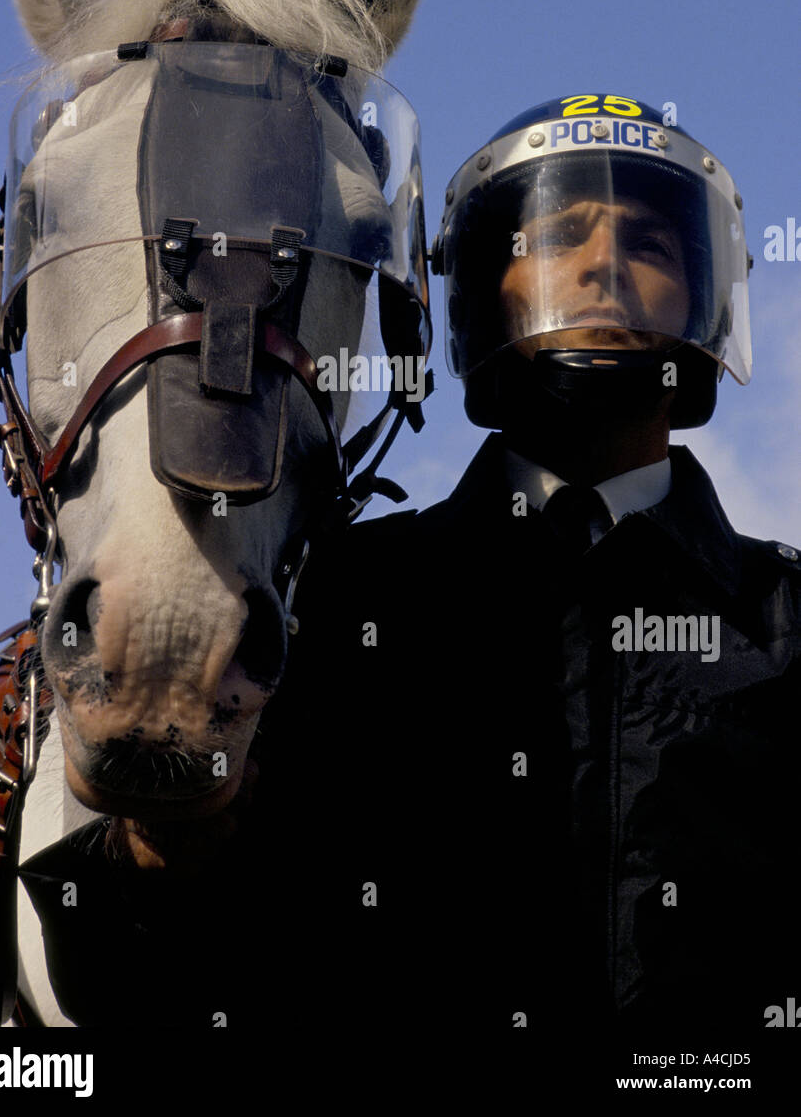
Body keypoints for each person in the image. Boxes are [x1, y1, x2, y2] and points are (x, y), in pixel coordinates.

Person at [283, 94, 801, 1065]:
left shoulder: (791, 618)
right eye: (557, 234)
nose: (604, 264)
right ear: (485, 285)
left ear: (703, 296)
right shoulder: (340, 602)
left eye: (649, 241)